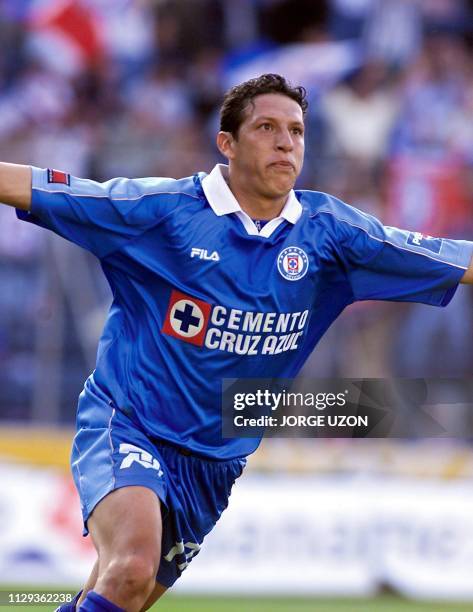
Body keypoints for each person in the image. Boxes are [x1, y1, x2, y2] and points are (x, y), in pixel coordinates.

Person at [1, 73, 473, 612]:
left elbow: (452, 257)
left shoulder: (332, 235)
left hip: (217, 462)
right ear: (226, 143)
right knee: (130, 568)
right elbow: (39, 186)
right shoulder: (164, 213)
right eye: (267, 128)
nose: (285, 143)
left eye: (296, 131)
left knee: (117, 596)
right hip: (129, 424)